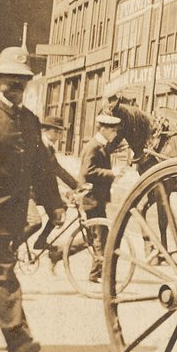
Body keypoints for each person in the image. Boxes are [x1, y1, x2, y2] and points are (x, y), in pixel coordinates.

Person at [0, 47, 63, 352]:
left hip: (13, 214)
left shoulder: (30, 121)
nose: (16, 87)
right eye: (11, 81)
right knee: (1, 272)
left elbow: (42, 168)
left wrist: (53, 204)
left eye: (22, 82)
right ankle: (18, 338)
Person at [79, 113, 123, 282]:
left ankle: (95, 272)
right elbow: (88, 172)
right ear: (103, 128)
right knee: (99, 236)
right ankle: (100, 274)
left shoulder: (101, 145)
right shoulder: (94, 146)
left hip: (97, 198)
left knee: (99, 235)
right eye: (112, 130)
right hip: (91, 198)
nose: (115, 133)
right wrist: (112, 173)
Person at [30, 117, 78, 264]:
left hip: (39, 190)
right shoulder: (37, 145)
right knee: (34, 222)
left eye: (60, 133)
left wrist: (76, 186)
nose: (59, 136)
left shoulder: (48, 147)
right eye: (56, 132)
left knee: (61, 206)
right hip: (28, 190)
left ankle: (41, 241)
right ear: (45, 130)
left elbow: (57, 169)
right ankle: (11, 249)